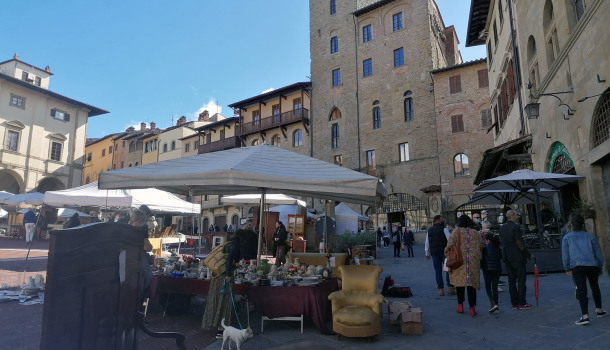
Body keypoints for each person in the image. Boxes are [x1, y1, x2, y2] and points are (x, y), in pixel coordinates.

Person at [561, 213, 607, 325]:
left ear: (571, 224)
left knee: (582, 290)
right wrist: (600, 265)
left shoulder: (567, 238)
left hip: (577, 266)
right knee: (595, 286)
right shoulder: (590, 236)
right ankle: (599, 310)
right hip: (592, 265)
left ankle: (585, 316)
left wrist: (567, 267)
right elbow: (598, 253)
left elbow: (565, 255)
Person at [202, 230, 241, 339]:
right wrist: (229, 273)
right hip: (225, 277)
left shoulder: (227, 243)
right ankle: (221, 330)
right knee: (225, 301)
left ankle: (214, 323)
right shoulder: (236, 246)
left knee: (216, 300)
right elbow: (229, 260)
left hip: (217, 276)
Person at [445, 215, 484, 316]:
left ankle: (460, 306)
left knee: (460, 284)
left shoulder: (456, 231)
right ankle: (472, 308)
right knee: (471, 284)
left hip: (459, 261)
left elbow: (449, 245)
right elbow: (481, 246)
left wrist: (447, 254)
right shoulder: (475, 233)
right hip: (472, 262)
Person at [499, 209, 535, 310]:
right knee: (521, 280)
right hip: (517, 257)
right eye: (517, 215)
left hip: (507, 257)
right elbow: (519, 242)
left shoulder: (502, 227)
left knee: (511, 281)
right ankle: (522, 302)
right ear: (512, 216)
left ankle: (514, 302)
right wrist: (528, 254)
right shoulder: (515, 227)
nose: (518, 216)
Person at [425, 215, 450, 296]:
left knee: (437, 270)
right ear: (438, 220)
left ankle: (440, 289)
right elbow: (450, 240)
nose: (443, 220)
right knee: (447, 269)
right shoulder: (444, 229)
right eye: (442, 219)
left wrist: (427, 253)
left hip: (434, 252)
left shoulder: (429, 230)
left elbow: (427, 242)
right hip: (444, 252)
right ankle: (450, 287)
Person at [481, 221, 502, 314]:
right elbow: (500, 257)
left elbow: (483, 259)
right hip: (497, 269)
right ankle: (496, 305)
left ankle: (493, 303)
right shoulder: (498, 248)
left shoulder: (485, 249)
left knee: (488, 287)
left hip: (487, 269)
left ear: (488, 240)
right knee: (495, 287)